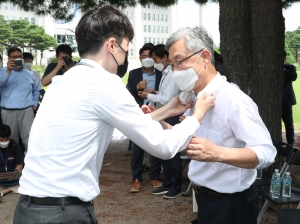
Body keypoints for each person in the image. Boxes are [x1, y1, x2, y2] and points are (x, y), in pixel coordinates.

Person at [13, 6, 215, 224]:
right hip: (62, 213)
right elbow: (163, 148)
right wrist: (197, 117)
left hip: (27, 209)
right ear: (111, 45)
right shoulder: (105, 84)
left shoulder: (67, 80)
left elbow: (113, 123)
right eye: (125, 48)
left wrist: (168, 110)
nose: (125, 57)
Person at [165, 26, 276, 224]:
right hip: (205, 199)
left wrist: (217, 153)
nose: (175, 70)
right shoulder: (193, 98)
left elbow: (266, 152)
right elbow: (193, 143)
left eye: (179, 61)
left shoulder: (234, 100)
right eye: (172, 64)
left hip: (231, 205)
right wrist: (161, 123)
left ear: (204, 57)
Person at [138, 44, 183, 199]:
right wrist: (155, 92)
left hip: (171, 114)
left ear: (164, 57)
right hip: (164, 112)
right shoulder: (166, 72)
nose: (153, 62)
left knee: (173, 152)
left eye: (155, 59)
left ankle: (175, 186)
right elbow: (164, 94)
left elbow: (167, 99)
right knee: (165, 151)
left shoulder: (172, 73)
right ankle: (168, 183)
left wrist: (149, 96)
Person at [126, 43, 164, 192]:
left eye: (150, 56)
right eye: (144, 56)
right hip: (139, 114)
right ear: (140, 58)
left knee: (156, 146)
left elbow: (164, 94)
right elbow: (127, 93)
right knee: (137, 148)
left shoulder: (161, 74)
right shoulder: (134, 73)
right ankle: (136, 178)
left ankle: (154, 176)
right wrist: (136, 88)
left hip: (158, 113)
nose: (147, 59)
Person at [0, 47, 40, 154]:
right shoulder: (2, 72)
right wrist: (8, 71)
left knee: (30, 140)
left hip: (26, 111)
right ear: (9, 58)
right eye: (14, 57)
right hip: (8, 112)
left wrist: (35, 103)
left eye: (20, 57)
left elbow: (36, 90)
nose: (18, 59)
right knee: (10, 140)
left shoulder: (29, 73)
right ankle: (12, 167)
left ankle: (30, 165)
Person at [0, 124, 24, 197]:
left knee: (26, 181)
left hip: (13, 178)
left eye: (7, 139)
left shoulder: (15, 146)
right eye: (1, 140)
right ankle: (6, 190)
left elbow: (19, 164)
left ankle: (3, 191)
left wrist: (15, 174)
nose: (4, 141)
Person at [282, 51, 297, 146]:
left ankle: (291, 144)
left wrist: (282, 70)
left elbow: (294, 77)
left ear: (284, 58)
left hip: (286, 101)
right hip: (275, 102)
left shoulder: (290, 67)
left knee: (289, 124)